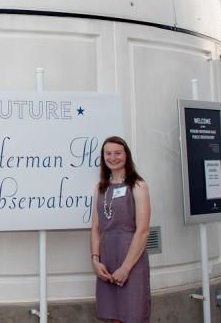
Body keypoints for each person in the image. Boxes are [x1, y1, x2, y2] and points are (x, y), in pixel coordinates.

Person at [90, 136, 151, 323]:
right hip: (107, 257)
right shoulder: (100, 188)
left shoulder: (138, 186)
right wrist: (95, 260)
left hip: (130, 256)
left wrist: (125, 268)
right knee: (114, 315)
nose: (113, 157)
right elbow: (95, 228)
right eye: (108, 153)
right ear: (103, 157)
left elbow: (143, 231)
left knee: (133, 313)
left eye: (118, 153)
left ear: (126, 155)